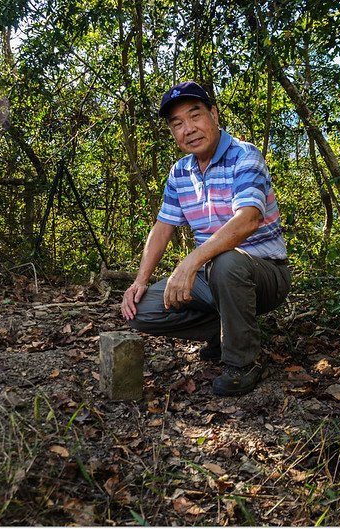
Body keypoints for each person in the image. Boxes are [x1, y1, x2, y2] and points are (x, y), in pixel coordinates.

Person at [120, 80, 291, 396]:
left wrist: (191, 261)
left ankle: (243, 363)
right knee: (141, 310)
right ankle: (227, 333)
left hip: (265, 274)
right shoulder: (180, 172)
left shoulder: (244, 156)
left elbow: (248, 220)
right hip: (213, 276)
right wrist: (139, 281)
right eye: (177, 123)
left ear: (213, 114)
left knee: (225, 262)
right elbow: (162, 228)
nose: (188, 129)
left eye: (195, 115)